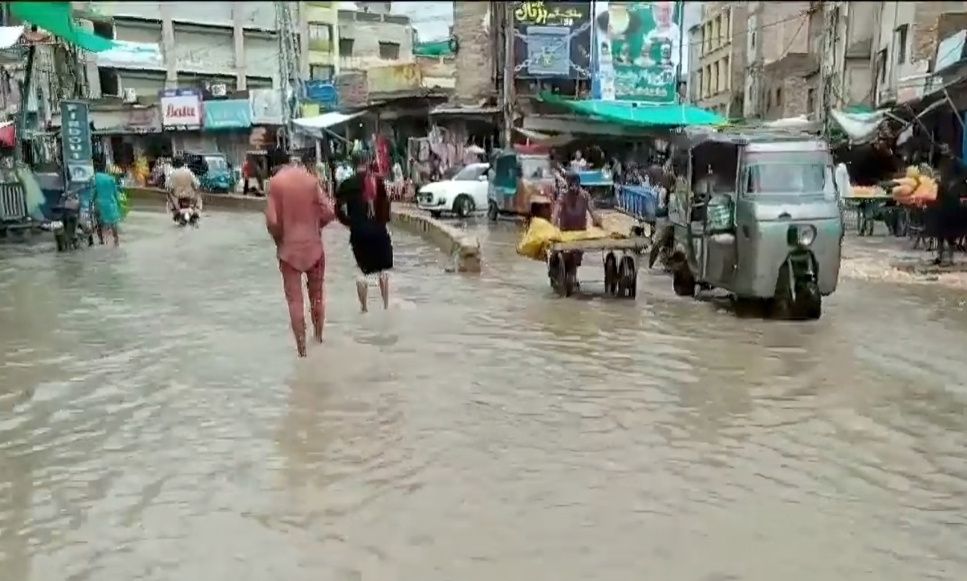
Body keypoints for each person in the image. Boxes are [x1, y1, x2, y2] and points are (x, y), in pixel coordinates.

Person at [265, 155, 337, 357]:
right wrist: (316, 226)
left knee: (295, 302)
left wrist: (280, 238)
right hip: (314, 248)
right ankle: (319, 338)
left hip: (288, 251)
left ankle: (302, 352)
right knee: (317, 297)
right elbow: (330, 211)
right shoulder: (311, 181)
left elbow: (271, 221)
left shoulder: (276, 183)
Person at [335, 154, 394, 312]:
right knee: (383, 271)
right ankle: (386, 307)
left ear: (353, 165)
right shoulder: (378, 182)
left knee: (361, 271)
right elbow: (386, 205)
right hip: (379, 230)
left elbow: (338, 209)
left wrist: (349, 223)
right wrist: (382, 221)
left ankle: (364, 308)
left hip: (359, 231)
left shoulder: (347, 185)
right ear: (368, 163)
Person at [552, 172, 604, 285]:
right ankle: (556, 270)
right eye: (570, 185)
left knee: (576, 259)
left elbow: (593, 213)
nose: (573, 188)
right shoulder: (563, 196)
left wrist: (602, 226)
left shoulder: (585, 196)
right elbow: (555, 214)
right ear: (567, 184)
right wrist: (551, 229)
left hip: (580, 234)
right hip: (565, 233)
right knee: (559, 255)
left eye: (575, 185)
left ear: (579, 184)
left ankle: (572, 276)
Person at [92, 156, 122, 246]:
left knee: (99, 225)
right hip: (111, 204)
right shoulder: (111, 179)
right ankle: (116, 241)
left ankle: (101, 241)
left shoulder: (95, 178)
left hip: (100, 204)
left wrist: (92, 201)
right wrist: (118, 204)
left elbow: (94, 193)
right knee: (113, 224)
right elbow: (116, 194)